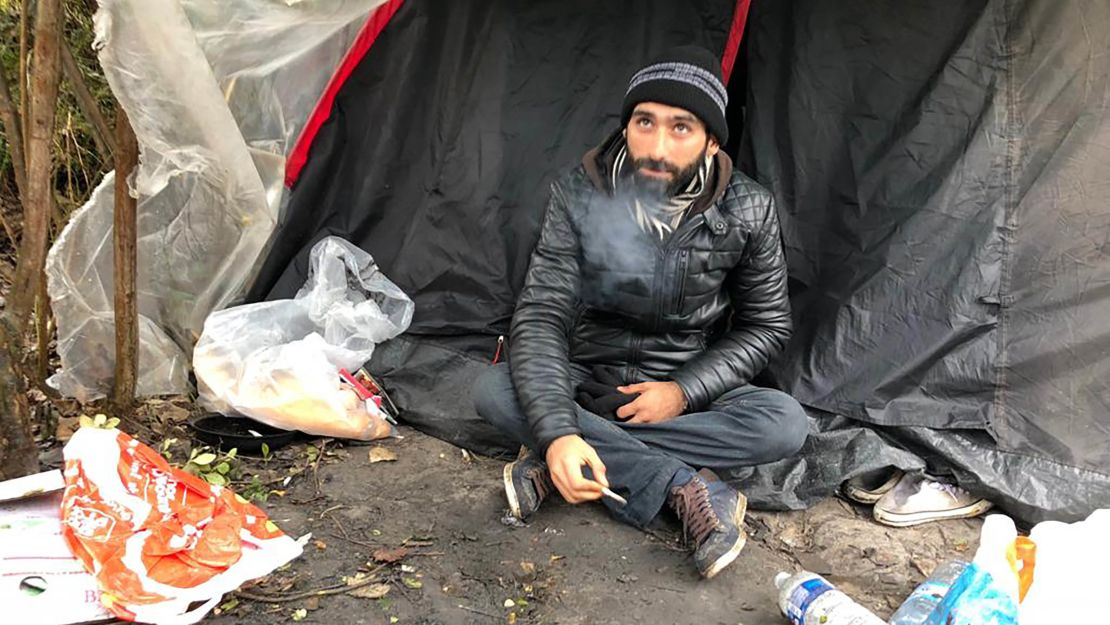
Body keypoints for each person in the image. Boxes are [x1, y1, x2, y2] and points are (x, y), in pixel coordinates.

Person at [473, 45, 808, 579]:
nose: (656, 147)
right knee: (491, 389)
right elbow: (540, 314)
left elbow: (766, 326)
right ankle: (679, 484)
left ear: (711, 141)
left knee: (785, 423)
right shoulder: (579, 192)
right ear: (626, 126)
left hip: (682, 378)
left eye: (681, 128)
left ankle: (572, 452)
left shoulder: (748, 208)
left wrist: (682, 392)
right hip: (585, 372)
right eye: (644, 122)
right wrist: (561, 427)